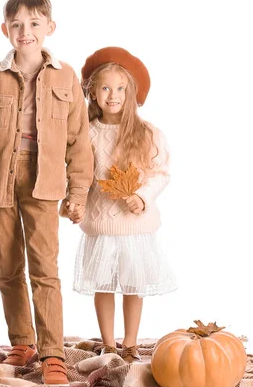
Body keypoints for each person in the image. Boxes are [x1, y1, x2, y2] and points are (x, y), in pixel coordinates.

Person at [0, 0, 93, 384]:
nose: (25, 31)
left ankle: (52, 352)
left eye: (34, 23)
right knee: (8, 267)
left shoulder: (67, 77)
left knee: (45, 268)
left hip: (45, 180)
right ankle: (22, 341)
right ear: (5, 30)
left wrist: (78, 193)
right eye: (16, 24)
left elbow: (78, 141)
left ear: (50, 27)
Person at [73, 47, 177, 363]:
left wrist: (142, 196)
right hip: (102, 225)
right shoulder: (85, 132)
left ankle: (129, 342)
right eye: (105, 88)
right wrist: (74, 200)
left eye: (121, 89)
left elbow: (161, 173)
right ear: (92, 92)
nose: (113, 95)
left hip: (134, 227)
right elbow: (76, 171)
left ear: (132, 93)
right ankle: (108, 342)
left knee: (133, 285)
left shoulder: (147, 133)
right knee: (103, 285)